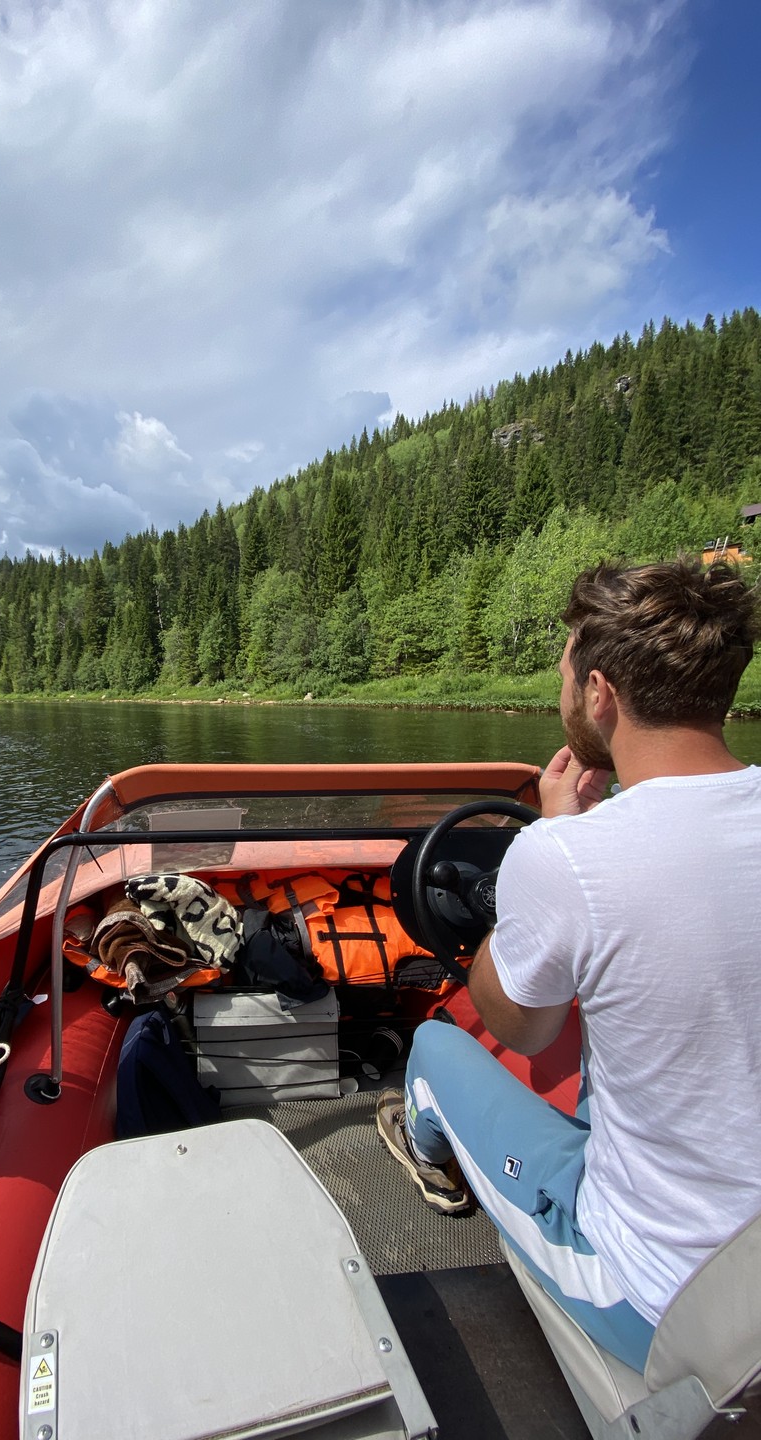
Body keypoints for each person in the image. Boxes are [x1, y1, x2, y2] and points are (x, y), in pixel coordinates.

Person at [376, 558, 761, 1371]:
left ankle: (429, 1157)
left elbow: (518, 1021)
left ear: (599, 694)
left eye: (563, 674)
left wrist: (543, 856)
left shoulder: (564, 857)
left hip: (657, 1296)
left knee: (437, 1051)